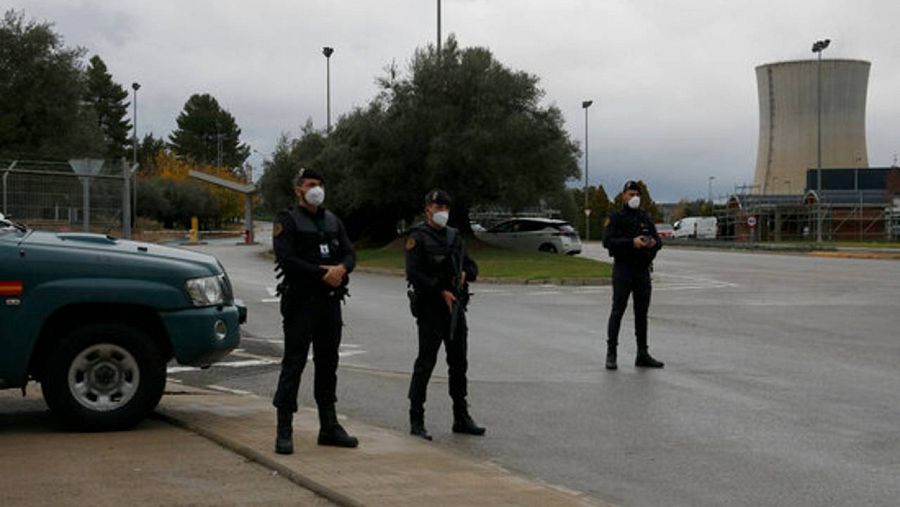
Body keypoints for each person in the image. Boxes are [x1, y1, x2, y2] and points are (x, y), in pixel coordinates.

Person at [272, 167, 358, 454]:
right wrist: (321, 273)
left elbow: (350, 253)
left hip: (329, 303)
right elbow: (286, 259)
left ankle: (329, 426)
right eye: (310, 184)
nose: (316, 189)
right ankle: (284, 429)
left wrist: (341, 269)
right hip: (300, 303)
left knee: (328, 364)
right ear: (298, 189)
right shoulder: (288, 220)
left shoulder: (332, 220)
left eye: (319, 184)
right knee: (293, 365)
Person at [405, 189, 485, 440]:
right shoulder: (417, 237)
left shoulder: (454, 237)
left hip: (456, 309)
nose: (442, 212)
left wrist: (464, 274)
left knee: (459, 363)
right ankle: (416, 418)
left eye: (445, 208)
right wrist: (440, 291)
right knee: (425, 363)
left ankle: (461, 416)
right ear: (427, 209)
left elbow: (471, 266)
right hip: (431, 308)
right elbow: (414, 273)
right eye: (437, 207)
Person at [602, 180, 665, 370]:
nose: (634, 198)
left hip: (642, 270)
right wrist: (632, 242)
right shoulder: (616, 217)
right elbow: (607, 241)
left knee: (642, 314)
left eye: (637, 195)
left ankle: (642, 354)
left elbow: (659, 241)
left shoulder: (645, 218)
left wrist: (652, 243)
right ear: (623, 196)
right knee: (617, 311)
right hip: (623, 269)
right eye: (630, 194)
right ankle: (611, 354)